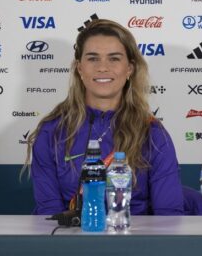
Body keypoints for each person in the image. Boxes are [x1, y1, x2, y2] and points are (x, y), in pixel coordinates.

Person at [24, 19, 183, 215]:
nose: (102, 67)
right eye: (92, 58)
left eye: (114, 58)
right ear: (79, 68)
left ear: (129, 69)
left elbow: (169, 215)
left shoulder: (153, 134)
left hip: (135, 240)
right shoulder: (52, 131)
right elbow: (49, 213)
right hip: (71, 241)